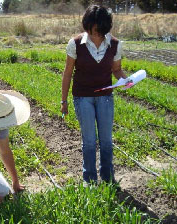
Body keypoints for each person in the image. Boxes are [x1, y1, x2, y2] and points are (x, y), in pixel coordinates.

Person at [61, 5, 128, 185]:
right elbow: (68, 73)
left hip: (105, 97)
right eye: (92, 31)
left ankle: (107, 177)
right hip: (82, 97)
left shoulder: (115, 44)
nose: (95, 36)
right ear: (87, 27)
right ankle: (89, 180)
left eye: (99, 32)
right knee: (89, 141)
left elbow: (117, 69)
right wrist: (64, 100)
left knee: (106, 140)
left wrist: (126, 79)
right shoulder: (75, 44)